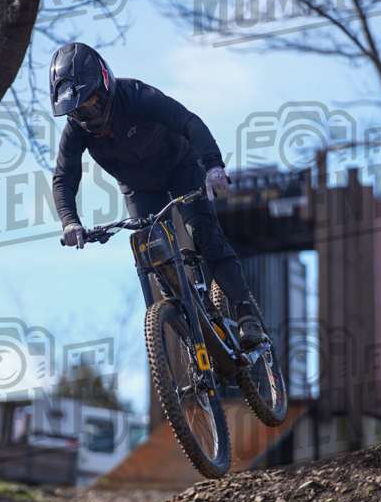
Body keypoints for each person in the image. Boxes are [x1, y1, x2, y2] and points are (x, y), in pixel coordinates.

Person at [50, 42, 265, 350]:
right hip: (138, 186)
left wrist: (214, 166)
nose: (88, 115)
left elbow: (189, 122)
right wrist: (70, 222)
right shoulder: (76, 129)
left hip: (181, 166)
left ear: (105, 83)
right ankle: (191, 333)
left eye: (92, 104)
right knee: (153, 254)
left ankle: (246, 314)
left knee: (201, 231)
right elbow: (64, 177)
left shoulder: (136, 96)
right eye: (79, 110)